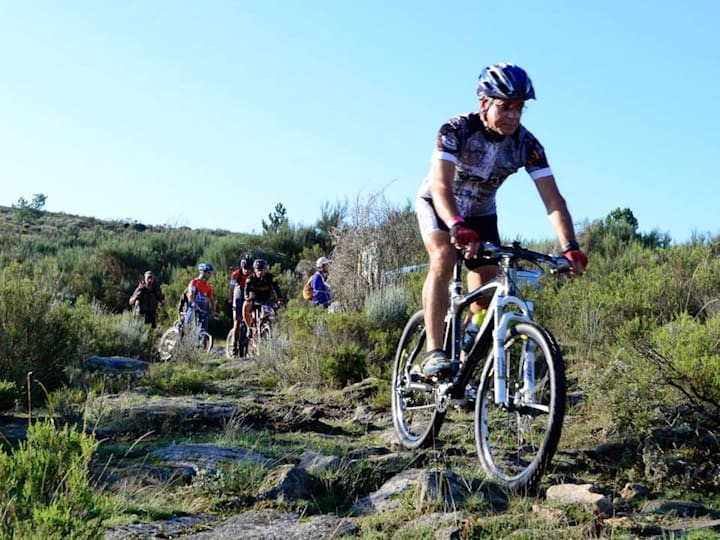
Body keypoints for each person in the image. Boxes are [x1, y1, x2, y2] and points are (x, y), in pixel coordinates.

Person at [416, 62, 588, 377]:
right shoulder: (456, 131)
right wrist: (455, 223)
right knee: (444, 256)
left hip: (481, 213)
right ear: (484, 102)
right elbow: (440, 185)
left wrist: (570, 245)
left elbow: (553, 200)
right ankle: (435, 351)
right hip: (441, 204)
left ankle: (466, 359)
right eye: (505, 106)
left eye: (519, 108)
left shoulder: (527, 145)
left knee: (489, 286)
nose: (513, 115)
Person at [243, 259, 285, 335]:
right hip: (254, 299)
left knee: (269, 314)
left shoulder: (270, 277)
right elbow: (246, 289)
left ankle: (265, 329)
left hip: (266, 299)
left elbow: (276, 288)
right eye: (258, 270)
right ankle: (249, 328)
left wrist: (280, 299)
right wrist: (246, 297)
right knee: (245, 305)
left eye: (262, 270)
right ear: (254, 270)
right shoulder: (250, 278)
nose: (260, 272)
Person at [228, 257, 252, 354]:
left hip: (249, 293)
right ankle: (234, 345)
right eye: (245, 268)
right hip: (238, 293)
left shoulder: (253, 273)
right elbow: (232, 287)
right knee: (237, 321)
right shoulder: (236, 274)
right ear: (241, 267)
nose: (246, 271)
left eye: (248, 269)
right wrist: (230, 299)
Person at [185, 262, 217, 330]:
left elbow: (212, 300)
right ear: (203, 272)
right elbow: (190, 294)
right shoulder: (194, 282)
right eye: (208, 273)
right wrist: (193, 303)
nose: (210, 275)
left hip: (203, 311)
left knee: (204, 331)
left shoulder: (208, 287)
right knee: (186, 326)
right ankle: (181, 337)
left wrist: (213, 311)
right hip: (193, 308)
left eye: (210, 273)